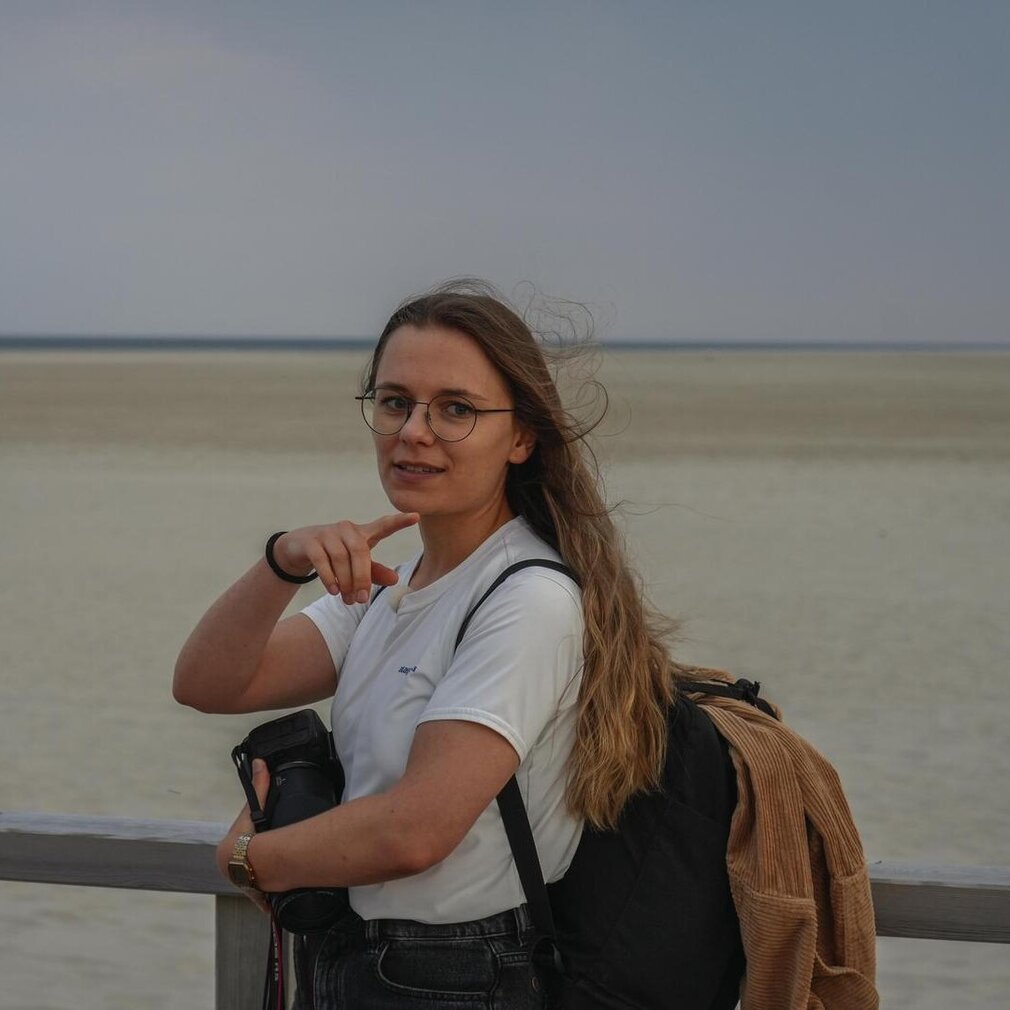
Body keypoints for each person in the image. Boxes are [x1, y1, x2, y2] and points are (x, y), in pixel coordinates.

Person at [173, 280, 680, 1009]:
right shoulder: (394, 586)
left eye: (456, 409)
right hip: (361, 960)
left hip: (457, 977)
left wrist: (249, 858)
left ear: (523, 438)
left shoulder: (527, 599)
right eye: (394, 401)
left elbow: (415, 831)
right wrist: (282, 559)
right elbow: (208, 684)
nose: (414, 430)